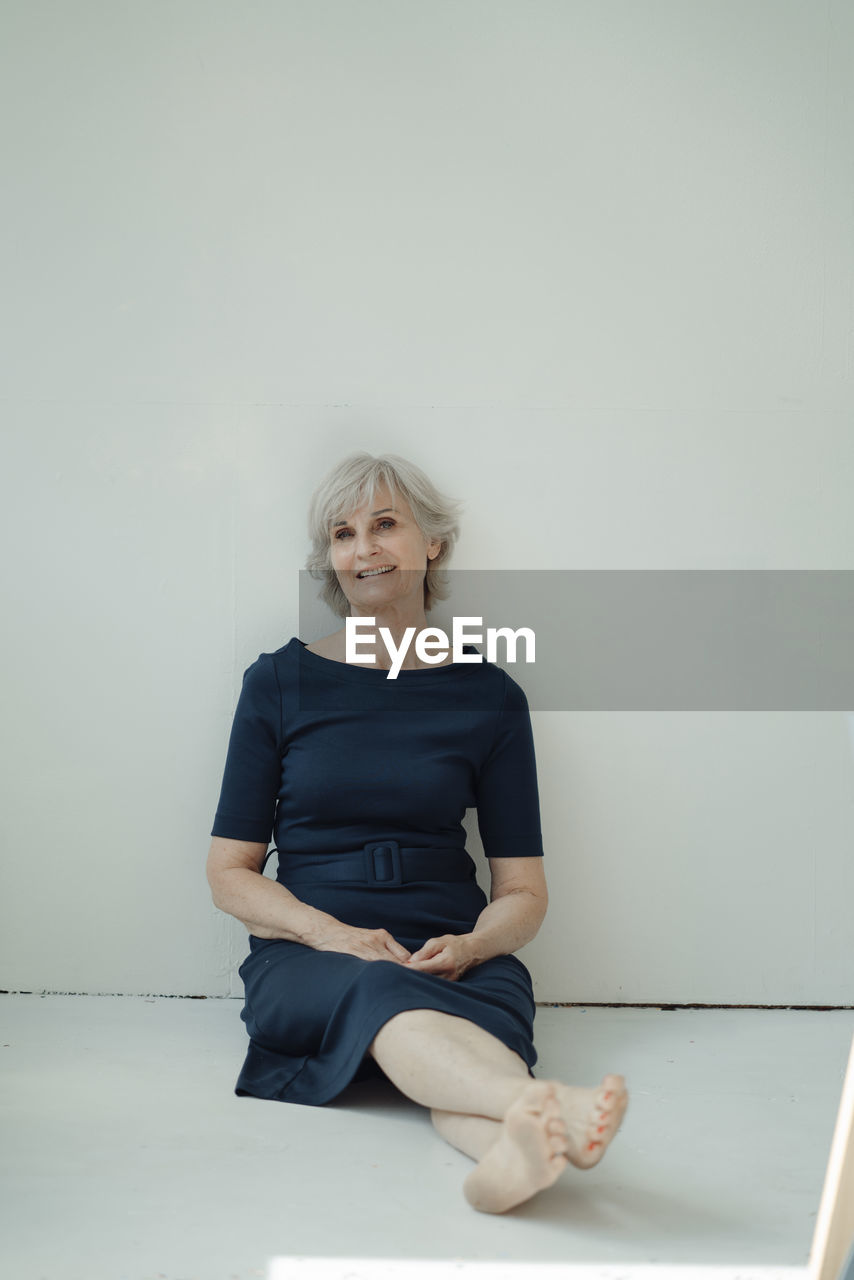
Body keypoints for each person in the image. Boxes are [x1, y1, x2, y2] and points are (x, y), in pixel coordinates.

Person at [206, 451, 628, 1214]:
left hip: (448, 941)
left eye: (384, 524)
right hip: (312, 949)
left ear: (432, 543)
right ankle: (544, 1105)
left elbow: (524, 893)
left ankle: (511, 1158)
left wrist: (471, 947)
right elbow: (227, 874)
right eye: (342, 533)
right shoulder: (277, 683)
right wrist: (328, 933)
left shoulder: (490, 696)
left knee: (454, 1025)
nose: (362, 548)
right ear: (329, 558)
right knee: (383, 992)